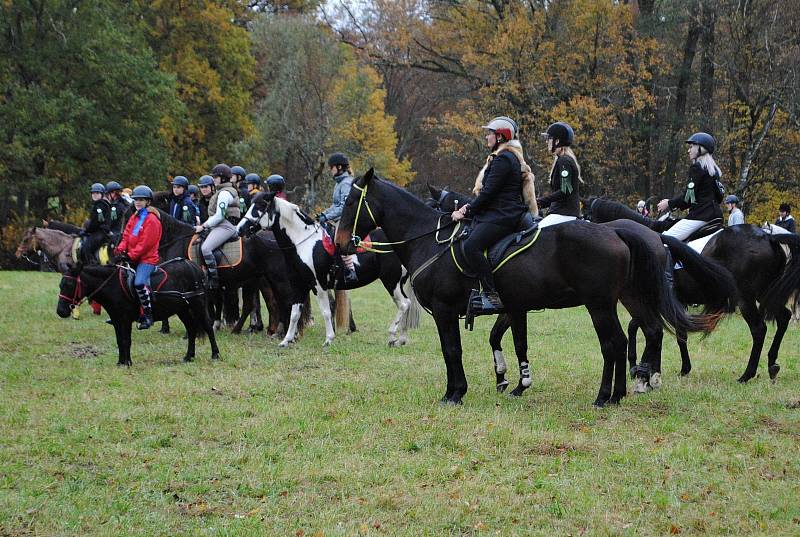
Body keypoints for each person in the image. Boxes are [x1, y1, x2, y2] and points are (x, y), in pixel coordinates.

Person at [451, 116, 535, 312]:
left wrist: (466, 210)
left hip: (503, 215)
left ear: (500, 136)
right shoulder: (505, 157)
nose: (486, 137)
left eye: (489, 133)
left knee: (472, 246)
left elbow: (488, 193)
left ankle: (491, 295)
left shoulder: (504, 159)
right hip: (499, 213)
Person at [657, 132, 724, 240]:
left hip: (701, 216)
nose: (689, 150)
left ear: (701, 149)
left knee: (664, 240)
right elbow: (719, 197)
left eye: (691, 147)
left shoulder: (697, 168)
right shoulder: (715, 171)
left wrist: (669, 203)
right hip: (716, 216)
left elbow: (688, 198)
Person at [114, 185, 163, 330]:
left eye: (141, 200)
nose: (138, 202)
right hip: (132, 257)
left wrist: (130, 255)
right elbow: (126, 235)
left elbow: (146, 244)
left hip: (147, 259)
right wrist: (120, 250)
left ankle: (148, 315)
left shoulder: (152, 220)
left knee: (139, 283)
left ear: (148, 202)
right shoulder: (135, 216)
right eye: (136, 200)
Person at [194, 164, 240, 289]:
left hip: (226, 226)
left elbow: (219, 216)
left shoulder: (225, 193)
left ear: (223, 178)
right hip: (220, 225)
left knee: (206, 248)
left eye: (215, 177)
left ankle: (214, 279)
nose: (213, 179)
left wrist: (203, 226)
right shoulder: (221, 191)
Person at [317, 153, 358, 283]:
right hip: (339, 217)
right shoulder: (338, 183)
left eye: (332, 167)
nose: (330, 170)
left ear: (339, 167)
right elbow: (335, 205)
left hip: (347, 218)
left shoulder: (346, 184)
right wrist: (323, 214)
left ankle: (351, 270)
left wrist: (327, 216)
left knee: (339, 239)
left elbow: (344, 208)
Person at [536, 122, 582, 229]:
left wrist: (540, 202)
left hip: (564, 213)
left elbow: (565, 190)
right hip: (562, 211)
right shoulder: (562, 160)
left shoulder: (564, 161)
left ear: (557, 141)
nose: (547, 142)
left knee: (537, 232)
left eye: (549, 139)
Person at [80, 183, 112, 263]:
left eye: (97, 193)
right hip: (100, 231)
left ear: (102, 194)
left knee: (86, 247)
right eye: (93, 193)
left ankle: (91, 264)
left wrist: (87, 231)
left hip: (100, 232)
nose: (94, 195)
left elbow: (96, 222)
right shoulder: (100, 204)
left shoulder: (100, 205)